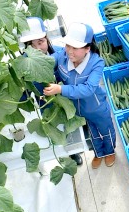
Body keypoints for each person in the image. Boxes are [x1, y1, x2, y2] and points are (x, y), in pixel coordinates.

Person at [43, 22, 118, 169]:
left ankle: (110, 152)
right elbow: (48, 61)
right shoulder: (62, 56)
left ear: (87, 49)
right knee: (93, 133)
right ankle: (98, 154)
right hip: (79, 110)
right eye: (68, 46)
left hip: (97, 107)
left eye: (75, 48)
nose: (70, 51)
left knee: (106, 130)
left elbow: (88, 89)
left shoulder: (97, 63)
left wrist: (61, 89)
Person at [19, 17, 84, 166]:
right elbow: (24, 95)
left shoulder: (62, 53)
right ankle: (71, 153)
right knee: (58, 130)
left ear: (47, 39)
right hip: (47, 105)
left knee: (73, 121)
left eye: (40, 42)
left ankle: (77, 145)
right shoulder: (23, 65)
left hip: (67, 98)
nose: (37, 49)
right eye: (31, 45)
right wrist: (23, 90)